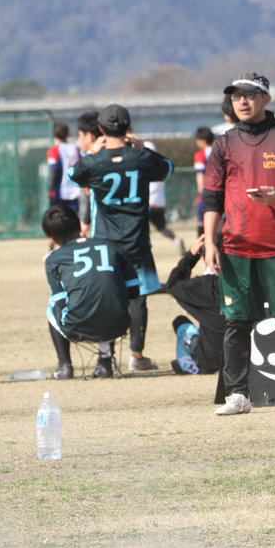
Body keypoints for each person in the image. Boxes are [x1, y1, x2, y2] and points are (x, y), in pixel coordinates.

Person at [202, 72, 275, 415]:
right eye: (236, 95)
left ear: (266, 99)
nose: (242, 101)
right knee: (236, 323)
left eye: (250, 94)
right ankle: (238, 395)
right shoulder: (224, 143)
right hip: (235, 248)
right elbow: (211, 198)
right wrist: (210, 243)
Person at [67, 104, 172, 373]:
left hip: (105, 242)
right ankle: (136, 354)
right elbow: (167, 168)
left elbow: (73, 176)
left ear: (100, 128)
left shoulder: (94, 161)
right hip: (137, 241)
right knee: (138, 297)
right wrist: (142, 148)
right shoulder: (141, 158)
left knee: (109, 298)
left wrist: (92, 152)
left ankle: (106, 357)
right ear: (128, 128)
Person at [42, 205, 138, 379]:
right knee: (109, 298)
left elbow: (61, 302)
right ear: (78, 225)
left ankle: (65, 365)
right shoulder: (112, 246)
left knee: (53, 304)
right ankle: (105, 362)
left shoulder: (53, 259)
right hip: (120, 324)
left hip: (78, 327)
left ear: (52, 238)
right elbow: (134, 292)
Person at [165, 234, 224, 376]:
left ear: (205, 257)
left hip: (209, 361)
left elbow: (172, 285)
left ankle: (187, 365)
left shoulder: (201, 286)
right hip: (243, 357)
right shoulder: (245, 283)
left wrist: (191, 255)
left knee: (180, 322)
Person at [145, 140, 184, 251]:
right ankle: (176, 239)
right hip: (160, 203)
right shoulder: (161, 165)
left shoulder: (147, 166)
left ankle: (145, 245)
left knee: (143, 227)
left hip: (150, 203)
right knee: (161, 227)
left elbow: (151, 187)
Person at [74, 111, 103, 236]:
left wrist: (85, 221)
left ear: (89, 137)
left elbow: (91, 194)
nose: (79, 139)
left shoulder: (91, 162)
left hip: (101, 226)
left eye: (80, 135)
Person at [47, 122, 81, 213]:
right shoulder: (76, 149)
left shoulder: (53, 151)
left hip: (59, 192)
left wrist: (51, 191)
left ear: (55, 135)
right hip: (74, 191)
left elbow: (54, 172)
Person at [193, 126, 215, 237]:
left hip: (207, 193)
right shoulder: (219, 151)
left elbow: (200, 174)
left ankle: (202, 247)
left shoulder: (200, 154)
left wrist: (201, 192)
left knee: (202, 223)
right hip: (222, 192)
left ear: (203, 140)